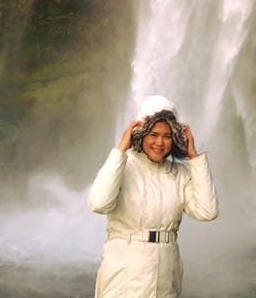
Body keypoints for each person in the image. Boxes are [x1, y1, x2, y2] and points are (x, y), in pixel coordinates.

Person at [88, 94, 218, 298]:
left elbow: (207, 211)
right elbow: (99, 203)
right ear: (140, 134)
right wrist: (121, 150)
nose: (160, 143)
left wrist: (195, 157)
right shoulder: (122, 165)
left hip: (165, 277)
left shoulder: (180, 174)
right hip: (124, 275)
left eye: (167, 136)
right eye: (153, 134)